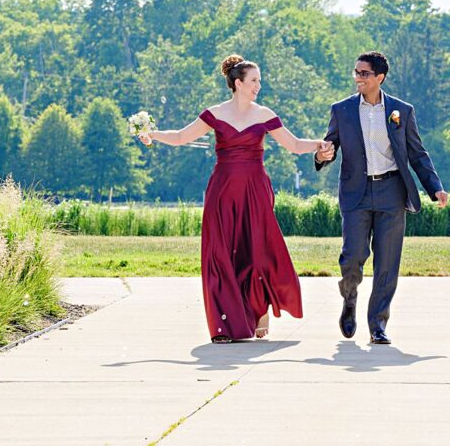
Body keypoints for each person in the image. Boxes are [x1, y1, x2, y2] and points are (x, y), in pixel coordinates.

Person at [139, 54, 327, 343]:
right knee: (220, 253)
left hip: (255, 189)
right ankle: (224, 325)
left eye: (259, 81)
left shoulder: (264, 114)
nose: (258, 86)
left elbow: (293, 144)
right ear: (238, 83)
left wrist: (319, 145)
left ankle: (259, 309)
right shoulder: (214, 113)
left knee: (257, 251)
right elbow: (180, 136)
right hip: (222, 189)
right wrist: (153, 134)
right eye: (254, 81)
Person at [313, 51, 449, 345]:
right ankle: (350, 298)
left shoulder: (401, 110)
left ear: (379, 78)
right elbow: (330, 145)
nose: (358, 78)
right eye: (356, 72)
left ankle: (378, 325)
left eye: (364, 73)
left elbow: (417, 154)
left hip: (391, 193)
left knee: (387, 263)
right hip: (356, 194)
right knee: (352, 257)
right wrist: (323, 155)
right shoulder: (343, 110)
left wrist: (434, 186)